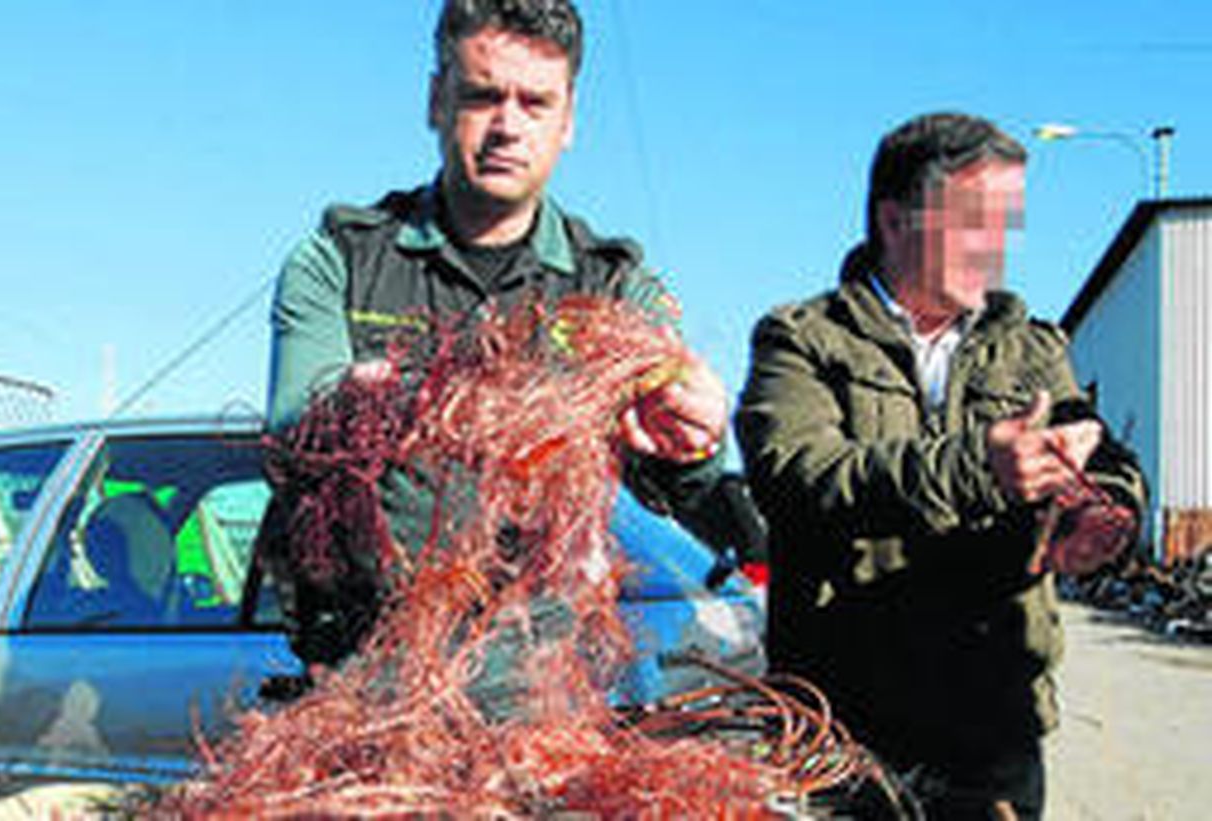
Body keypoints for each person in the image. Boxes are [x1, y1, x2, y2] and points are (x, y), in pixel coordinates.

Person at [265, 0, 740, 672]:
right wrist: (361, 407)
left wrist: (697, 437)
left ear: (569, 119)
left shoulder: (613, 285)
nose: (507, 127)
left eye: (535, 103)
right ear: (436, 100)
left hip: (540, 683)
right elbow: (291, 434)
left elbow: (688, 487)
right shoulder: (339, 259)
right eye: (482, 96)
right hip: (363, 674)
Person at [735, 112, 1147, 818]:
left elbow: (1094, 445)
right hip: (842, 733)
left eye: (1006, 223)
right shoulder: (802, 338)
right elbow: (799, 474)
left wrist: (1104, 507)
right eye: (974, 222)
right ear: (895, 222)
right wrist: (978, 465)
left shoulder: (1032, 349)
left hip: (993, 730)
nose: (998, 248)